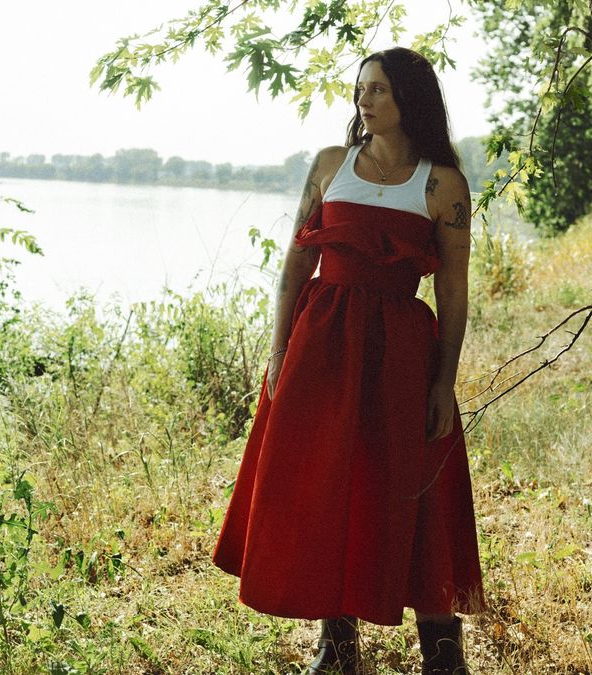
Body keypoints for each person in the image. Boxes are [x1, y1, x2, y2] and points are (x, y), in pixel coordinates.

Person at [212, 47, 484, 675]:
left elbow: (454, 294)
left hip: (402, 355)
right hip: (323, 347)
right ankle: (338, 646)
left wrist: (445, 380)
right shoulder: (332, 165)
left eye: (379, 90)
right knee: (330, 481)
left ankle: (442, 651)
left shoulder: (443, 185)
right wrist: (279, 351)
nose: (364, 100)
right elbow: (293, 268)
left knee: (408, 485)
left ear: (409, 99)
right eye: (361, 89)